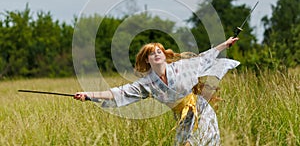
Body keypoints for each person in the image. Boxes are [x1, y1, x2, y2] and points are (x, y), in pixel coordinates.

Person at [74, 37, 240, 145]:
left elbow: (204, 58)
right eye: (152, 54)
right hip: (182, 119)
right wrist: (89, 95)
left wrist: (224, 45)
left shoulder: (181, 67)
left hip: (201, 112)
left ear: (164, 55)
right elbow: (118, 93)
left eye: (159, 51)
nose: (156, 55)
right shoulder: (147, 84)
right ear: (147, 60)